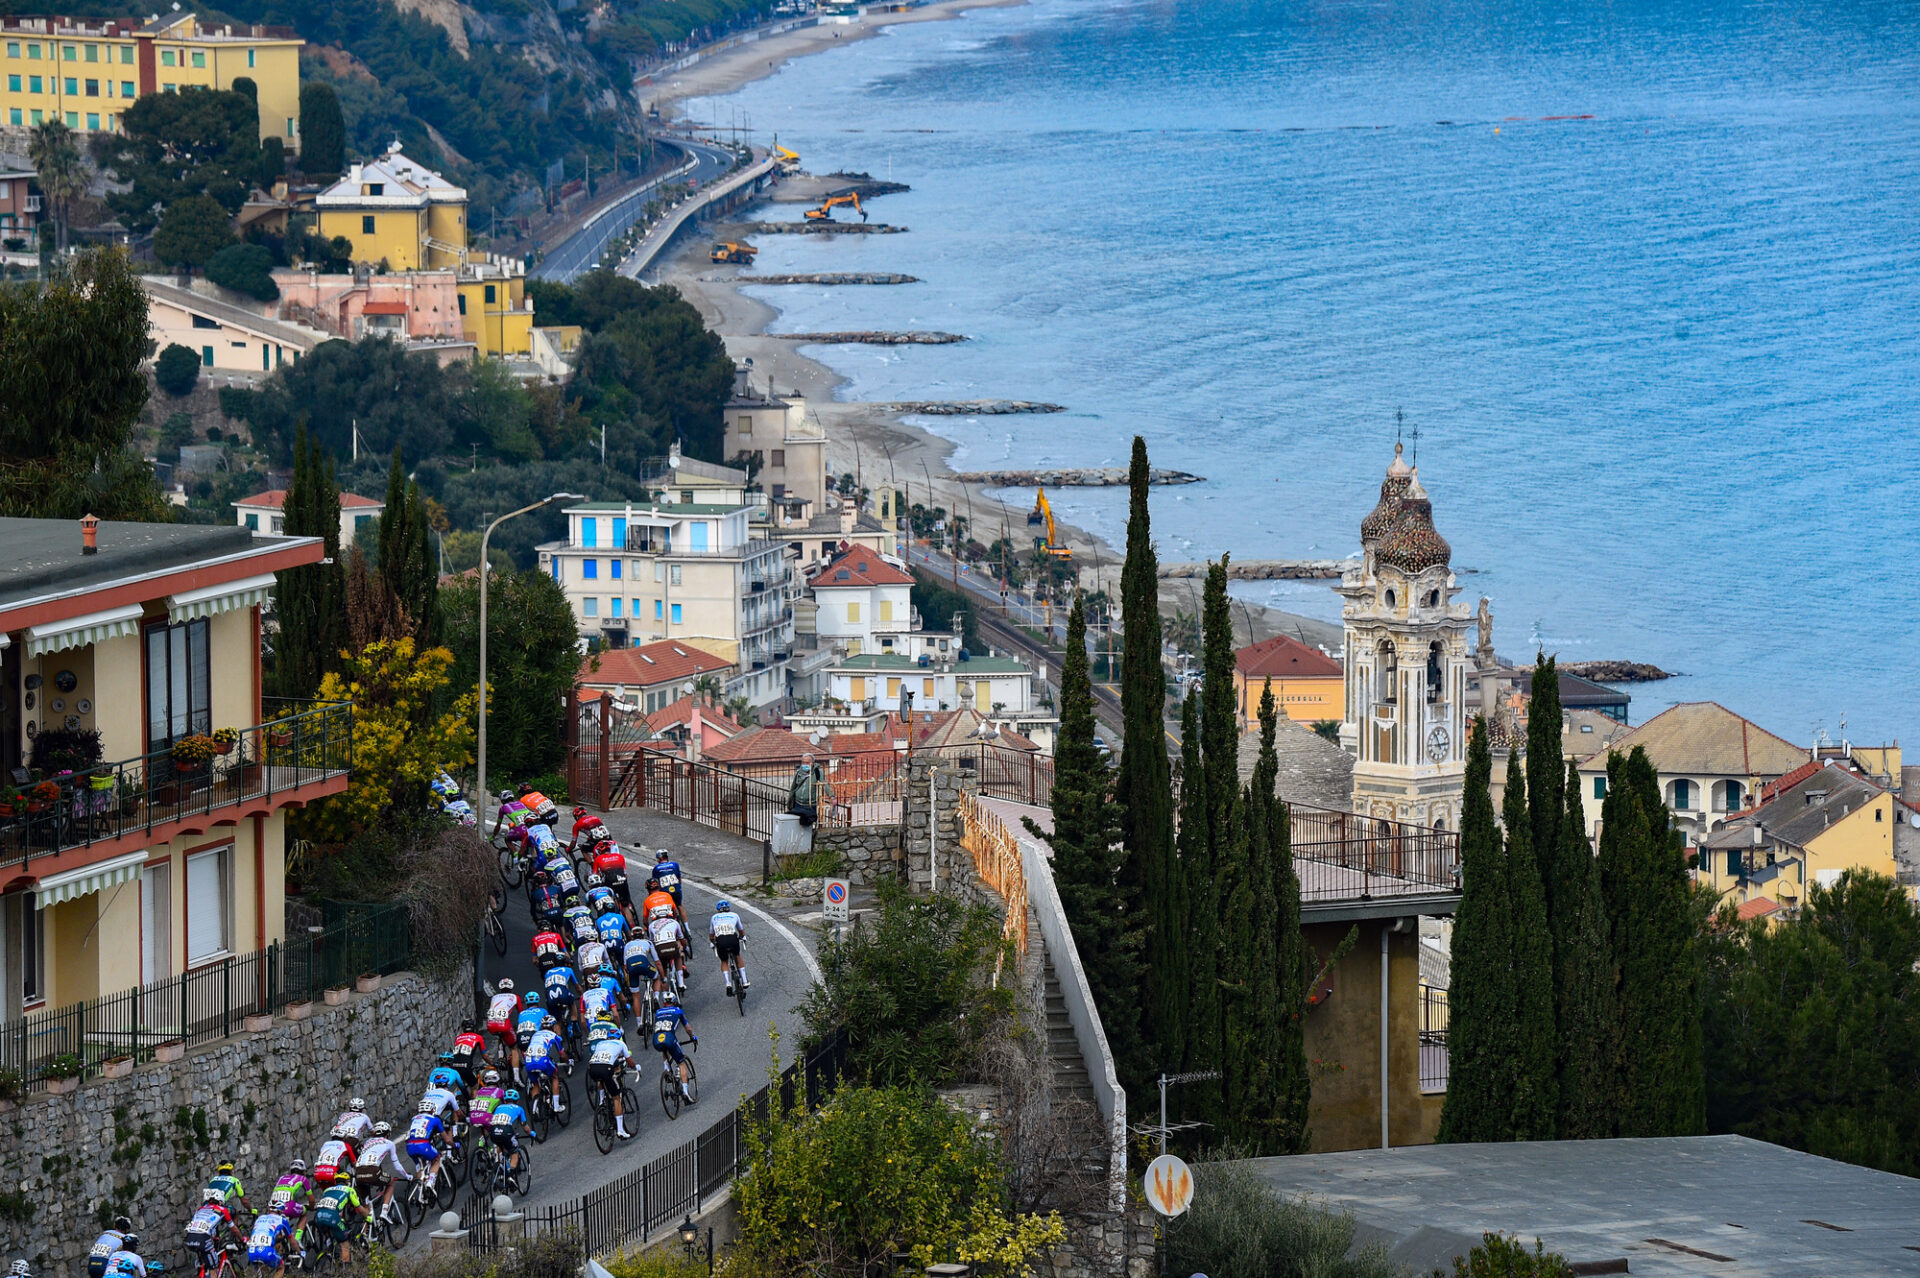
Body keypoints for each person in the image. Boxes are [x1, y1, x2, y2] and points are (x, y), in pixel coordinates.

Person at [585, 1014, 635, 1140]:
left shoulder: (601, 1043)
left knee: (600, 1079)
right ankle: (620, 1130)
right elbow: (629, 1061)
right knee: (616, 1098)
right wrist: (636, 1068)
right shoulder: (620, 1043)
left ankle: (601, 1101)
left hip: (592, 1068)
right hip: (605, 1069)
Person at [353, 1121, 410, 1221]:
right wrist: (407, 1176)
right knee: (391, 1182)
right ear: (387, 1133)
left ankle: (366, 1233)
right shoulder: (389, 1143)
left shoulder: (367, 1142)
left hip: (358, 1173)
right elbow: (397, 1165)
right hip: (372, 1171)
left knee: (367, 1206)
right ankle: (384, 1212)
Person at [649, 993, 698, 1102]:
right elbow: (688, 1029)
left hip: (656, 1039)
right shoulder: (678, 1011)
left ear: (663, 1002)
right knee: (681, 1063)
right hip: (670, 1038)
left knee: (664, 1049)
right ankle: (685, 1092)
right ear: (674, 1001)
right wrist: (692, 1037)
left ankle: (667, 1070)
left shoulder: (658, 1012)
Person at [183, 1188, 243, 1274]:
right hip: (202, 1239)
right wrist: (241, 1239)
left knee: (203, 1264)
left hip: (189, 1238)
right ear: (220, 1202)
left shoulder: (200, 1209)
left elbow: (199, 1227)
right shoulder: (223, 1209)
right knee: (213, 1269)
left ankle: (201, 1271)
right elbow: (234, 1229)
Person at [309, 1179, 366, 1267]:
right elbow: (359, 1208)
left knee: (330, 1233)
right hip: (333, 1218)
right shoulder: (349, 1190)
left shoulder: (327, 1190)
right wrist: (368, 1216)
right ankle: (346, 1272)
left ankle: (329, 1249)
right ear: (347, 1183)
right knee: (345, 1244)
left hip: (318, 1217)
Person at [523, 1014, 567, 1118]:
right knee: (555, 1076)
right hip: (542, 1059)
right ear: (553, 1026)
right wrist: (568, 1061)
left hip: (528, 1060)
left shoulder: (535, 1034)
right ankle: (556, 1106)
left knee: (536, 1084)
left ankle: (536, 1108)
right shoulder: (554, 1036)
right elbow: (561, 1054)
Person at [406, 1099, 450, 1194]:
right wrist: (455, 1145)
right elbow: (446, 1139)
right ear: (431, 1109)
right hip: (423, 1145)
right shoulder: (435, 1119)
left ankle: (420, 1193)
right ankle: (430, 1181)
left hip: (409, 1146)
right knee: (437, 1159)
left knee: (420, 1167)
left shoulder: (414, 1119)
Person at [489, 1088, 531, 1181]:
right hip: (505, 1131)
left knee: (500, 1146)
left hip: (493, 1131)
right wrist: (531, 1133)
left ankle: (501, 1168)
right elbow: (524, 1126)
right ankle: (510, 1177)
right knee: (514, 1152)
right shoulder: (519, 1108)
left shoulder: (498, 1108)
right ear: (517, 1100)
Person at [709, 898, 749, 995]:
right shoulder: (734, 915)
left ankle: (728, 983)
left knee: (724, 961)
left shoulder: (714, 917)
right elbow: (741, 931)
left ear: (718, 909)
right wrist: (741, 937)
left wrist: (713, 942)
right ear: (728, 908)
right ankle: (744, 981)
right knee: (737, 955)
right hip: (732, 939)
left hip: (721, 940)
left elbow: (711, 935)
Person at [648, 908, 690, 994]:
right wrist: (685, 947)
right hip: (672, 945)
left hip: (660, 948)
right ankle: (681, 983)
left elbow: (651, 942)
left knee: (663, 971)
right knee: (678, 957)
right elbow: (682, 938)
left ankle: (664, 993)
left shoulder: (651, 925)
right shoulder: (674, 922)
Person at [621, 930, 661, 1019]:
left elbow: (625, 967)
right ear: (643, 936)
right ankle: (656, 998)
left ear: (632, 936)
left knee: (636, 997)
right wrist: (663, 976)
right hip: (643, 964)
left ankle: (639, 1023)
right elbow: (657, 961)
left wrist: (628, 982)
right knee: (657, 978)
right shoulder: (648, 942)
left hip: (631, 967)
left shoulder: (627, 945)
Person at [244, 1208, 294, 1278]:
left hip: (251, 1252)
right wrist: (300, 1252)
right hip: (266, 1252)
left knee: (261, 1273)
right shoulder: (281, 1220)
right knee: (281, 1267)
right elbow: (292, 1241)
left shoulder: (260, 1218)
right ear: (280, 1212)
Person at [485, 979, 522, 1067]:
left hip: (490, 1024)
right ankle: (517, 1078)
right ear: (512, 989)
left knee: (500, 1035)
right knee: (514, 1047)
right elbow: (521, 1013)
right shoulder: (515, 997)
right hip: (504, 1025)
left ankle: (501, 1056)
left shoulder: (494, 997)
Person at [787, 753, 830, 825]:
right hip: (798, 804)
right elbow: (793, 789)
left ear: (812, 763)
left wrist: (831, 796)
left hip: (810, 805)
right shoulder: (799, 772)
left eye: (807, 763)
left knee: (807, 825)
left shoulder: (818, 772)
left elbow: (824, 784)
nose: (804, 765)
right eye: (803, 762)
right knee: (796, 824)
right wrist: (789, 805)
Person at [447, 1020, 491, 1089]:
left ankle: (460, 1095)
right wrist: (492, 1064)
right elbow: (484, 1056)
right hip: (466, 1066)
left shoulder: (458, 1038)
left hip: (454, 1066)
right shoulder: (478, 1037)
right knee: (475, 1086)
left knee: (461, 1084)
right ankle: (472, 1099)